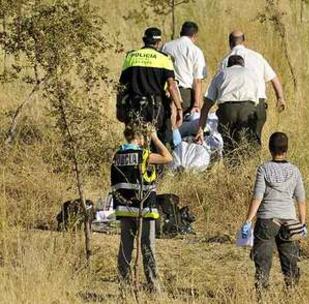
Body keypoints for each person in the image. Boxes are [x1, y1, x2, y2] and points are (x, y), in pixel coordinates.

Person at [241, 132, 306, 300]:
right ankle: (291, 296)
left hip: (267, 220)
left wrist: (248, 221)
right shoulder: (295, 171)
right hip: (290, 221)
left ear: (270, 148)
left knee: (262, 263)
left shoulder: (264, 169)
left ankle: (262, 297)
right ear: (286, 149)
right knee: (290, 263)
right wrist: (302, 223)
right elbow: (301, 199)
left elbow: (257, 197)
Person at [111, 124, 172, 293]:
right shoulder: (143, 154)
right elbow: (168, 158)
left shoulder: (117, 155)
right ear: (141, 138)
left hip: (124, 208)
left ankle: (123, 287)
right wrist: (154, 137)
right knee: (147, 247)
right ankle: (154, 286)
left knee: (125, 248)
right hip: (144, 209)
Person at [219, 30, 286, 143]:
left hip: (231, 105)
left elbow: (221, 83)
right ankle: (253, 159)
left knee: (232, 141)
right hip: (257, 103)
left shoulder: (225, 61)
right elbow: (273, 78)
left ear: (230, 42)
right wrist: (280, 97)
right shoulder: (257, 57)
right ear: (243, 40)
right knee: (254, 139)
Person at [117, 27, 183, 142]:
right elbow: (171, 86)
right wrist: (179, 109)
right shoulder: (164, 59)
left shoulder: (131, 56)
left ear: (144, 40)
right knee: (157, 141)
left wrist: (119, 107)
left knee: (135, 142)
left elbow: (121, 86)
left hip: (134, 106)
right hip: (156, 108)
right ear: (158, 43)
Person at [195, 55, 260, 154]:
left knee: (229, 143)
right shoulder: (251, 73)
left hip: (227, 110)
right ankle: (247, 164)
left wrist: (200, 130)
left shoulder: (221, 73)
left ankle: (231, 165)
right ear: (243, 65)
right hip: (248, 109)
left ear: (228, 65)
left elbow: (206, 106)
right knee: (248, 142)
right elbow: (258, 101)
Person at [162, 21, 207, 114]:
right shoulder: (196, 51)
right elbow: (197, 80)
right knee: (182, 125)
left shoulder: (166, 47)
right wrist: (196, 104)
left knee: (168, 124)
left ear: (180, 33)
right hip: (185, 94)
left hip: (166, 92)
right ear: (194, 35)